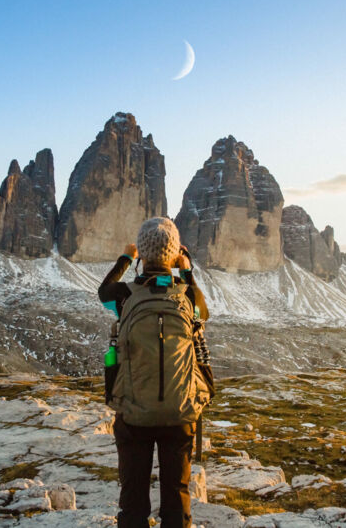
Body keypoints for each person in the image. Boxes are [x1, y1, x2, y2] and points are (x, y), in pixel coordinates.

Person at [98, 216, 210, 528]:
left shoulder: (124, 296)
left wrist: (125, 258)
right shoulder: (188, 296)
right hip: (180, 412)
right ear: (174, 254)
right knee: (177, 495)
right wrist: (185, 269)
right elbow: (204, 312)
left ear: (143, 255)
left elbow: (102, 291)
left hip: (134, 413)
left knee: (133, 496)